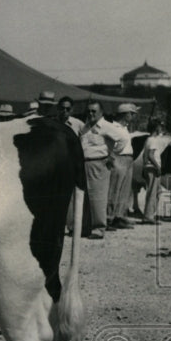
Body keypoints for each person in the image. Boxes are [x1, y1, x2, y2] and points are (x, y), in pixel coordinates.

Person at [71, 100, 131, 239]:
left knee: (98, 197)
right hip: (84, 164)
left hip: (99, 164)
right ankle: (85, 227)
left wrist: (112, 155)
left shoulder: (106, 126)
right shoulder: (85, 127)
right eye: (89, 111)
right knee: (84, 197)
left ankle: (98, 228)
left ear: (101, 113)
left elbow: (122, 139)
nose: (90, 113)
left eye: (94, 111)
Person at [106, 103, 138, 230]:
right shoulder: (113, 127)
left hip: (128, 159)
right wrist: (114, 157)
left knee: (124, 190)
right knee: (114, 189)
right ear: (126, 114)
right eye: (132, 113)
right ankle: (109, 218)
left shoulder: (125, 127)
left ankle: (118, 216)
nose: (133, 116)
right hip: (119, 158)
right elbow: (110, 146)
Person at [139, 117, 171, 224]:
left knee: (156, 191)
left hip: (149, 167)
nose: (161, 129)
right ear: (156, 128)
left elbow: (145, 155)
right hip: (153, 168)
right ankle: (148, 216)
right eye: (159, 127)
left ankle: (150, 214)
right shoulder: (153, 140)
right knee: (153, 192)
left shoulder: (148, 140)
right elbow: (150, 155)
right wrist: (157, 167)